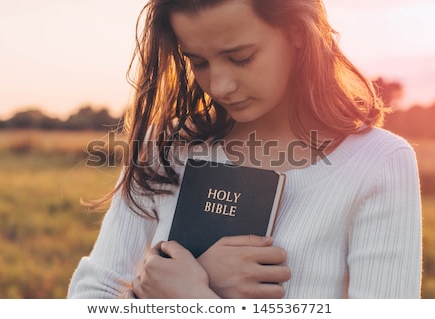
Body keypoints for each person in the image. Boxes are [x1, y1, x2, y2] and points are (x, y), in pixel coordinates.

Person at [67, 0, 422, 299]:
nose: (219, 85)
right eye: (199, 62)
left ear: (299, 32)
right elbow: (91, 295)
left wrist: (195, 297)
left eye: (240, 58)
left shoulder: (379, 163)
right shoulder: (166, 148)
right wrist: (186, 280)